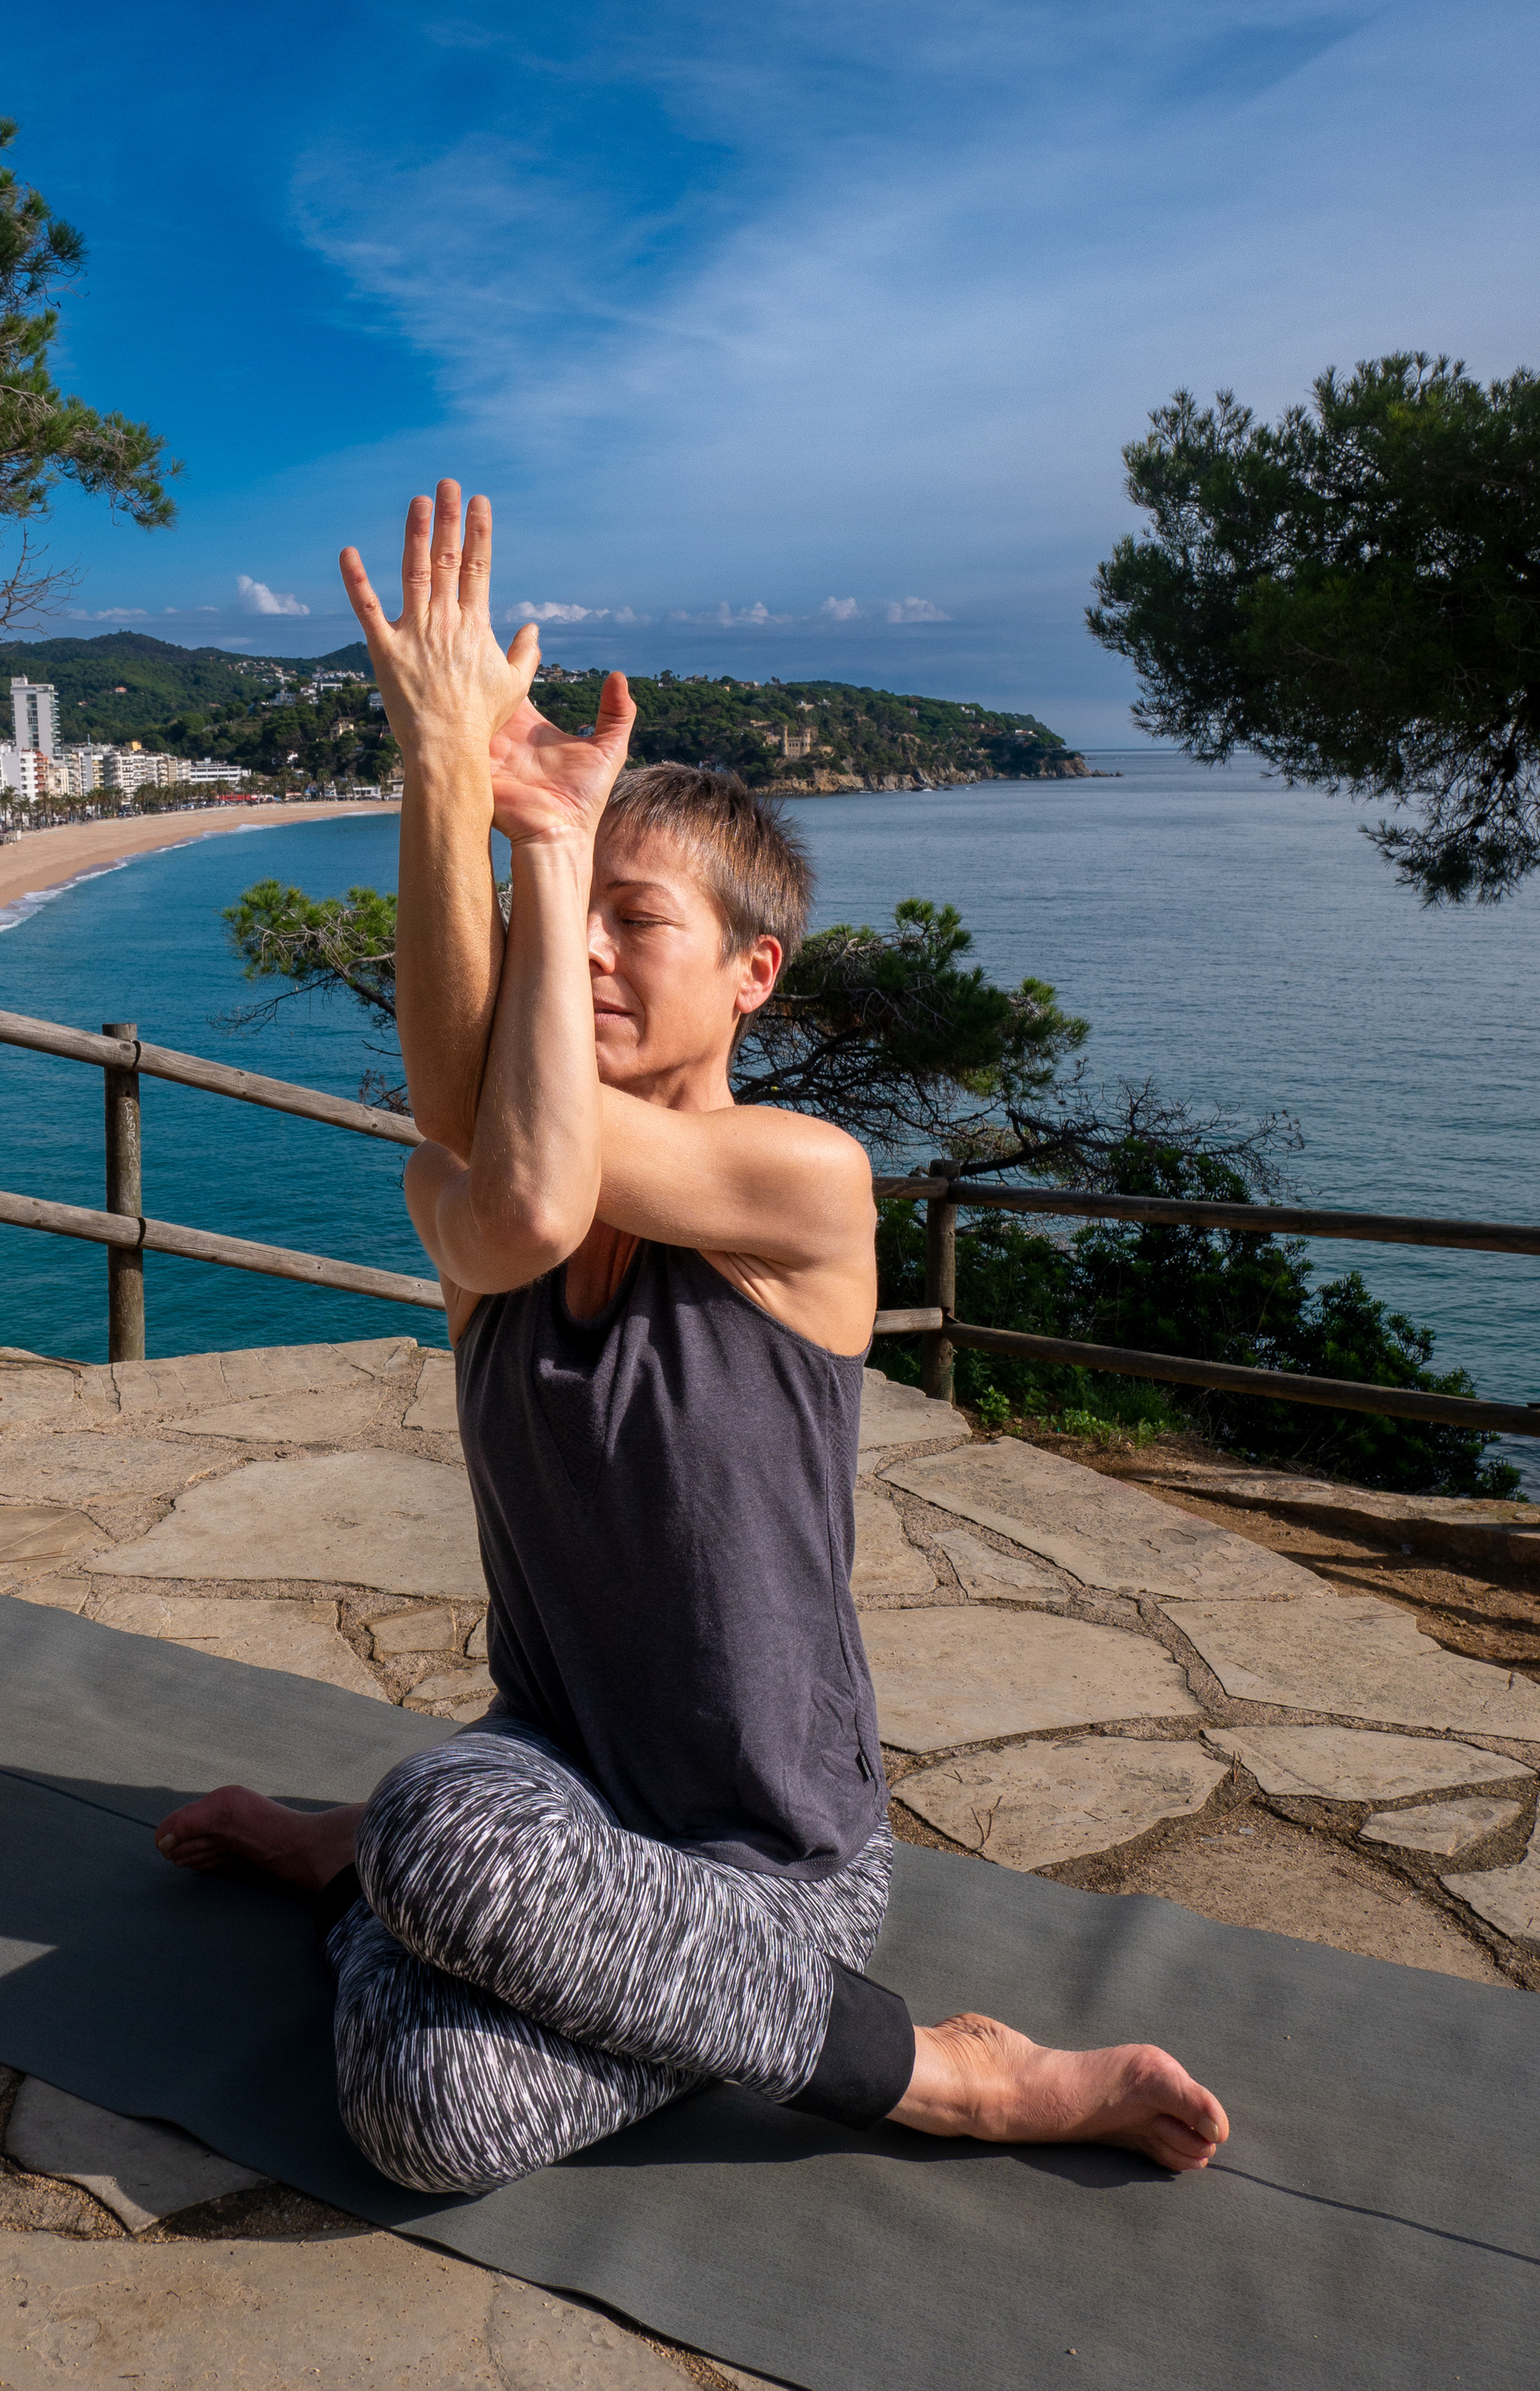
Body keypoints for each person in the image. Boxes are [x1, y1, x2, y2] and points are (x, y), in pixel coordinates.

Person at [157, 482, 1230, 2194]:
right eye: (564, 913)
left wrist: (523, 825)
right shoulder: (488, 1204)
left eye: (630, 917)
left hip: (764, 1864)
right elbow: (504, 1170)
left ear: (754, 976)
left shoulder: (802, 1182)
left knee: (437, 1874)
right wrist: (443, 768)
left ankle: (952, 2074)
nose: (576, 945)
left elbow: (510, 1163)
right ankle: (402, 1870)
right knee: (423, 2100)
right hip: (549, 1793)